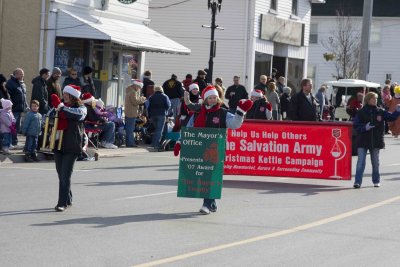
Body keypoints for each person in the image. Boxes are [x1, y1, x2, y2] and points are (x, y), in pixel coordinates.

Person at [176, 85, 253, 214]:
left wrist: (240, 112)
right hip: (199, 150)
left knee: (210, 176)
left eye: (214, 98)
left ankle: (206, 204)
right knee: (202, 177)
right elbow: (189, 129)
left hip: (216, 150)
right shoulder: (197, 113)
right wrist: (180, 141)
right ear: (205, 99)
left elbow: (235, 124)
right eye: (210, 98)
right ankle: (211, 203)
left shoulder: (223, 113)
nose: (212, 100)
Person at [49, 85, 87, 211]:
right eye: (63, 93)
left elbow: (78, 115)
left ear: (73, 96)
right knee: (61, 175)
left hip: (72, 146)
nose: (63, 95)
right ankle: (68, 198)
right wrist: (56, 108)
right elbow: (48, 118)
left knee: (65, 176)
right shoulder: (61, 107)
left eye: (66, 93)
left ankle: (62, 203)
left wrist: (62, 108)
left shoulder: (81, 108)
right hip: (58, 145)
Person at [353, 92, 400, 188]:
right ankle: (357, 182)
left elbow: (391, 117)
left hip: (376, 140)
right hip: (362, 140)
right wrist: (364, 127)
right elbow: (356, 125)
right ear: (368, 100)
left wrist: (397, 111)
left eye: (376, 98)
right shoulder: (361, 111)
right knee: (360, 162)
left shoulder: (380, 111)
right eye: (373, 98)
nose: (375, 100)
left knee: (375, 162)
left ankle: (376, 180)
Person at [6, 68, 28, 146]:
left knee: (17, 127)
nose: (23, 75)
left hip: (19, 109)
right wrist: (10, 106)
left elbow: (24, 96)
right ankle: (11, 142)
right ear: (15, 74)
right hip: (13, 109)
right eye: (21, 73)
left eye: (23, 73)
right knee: (12, 126)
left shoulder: (21, 83)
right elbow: (8, 96)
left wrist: (26, 106)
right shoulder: (10, 83)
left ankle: (14, 141)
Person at [147, 86, 171, 151]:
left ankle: (153, 143)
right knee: (159, 130)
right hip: (161, 114)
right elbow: (168, 105)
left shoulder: (151, 97)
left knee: (156, 129)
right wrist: (165, 111)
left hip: (153, 115)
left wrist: (149, 115)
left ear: (155, 90)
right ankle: (156, 144)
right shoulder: (165, 96)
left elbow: (148, 107)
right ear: (161, 90)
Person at [125, 79, 146, 147]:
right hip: (132, 112)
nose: (139, 89)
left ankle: (128, 142)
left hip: (128, 111)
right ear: (137, 86)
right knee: (130, 129)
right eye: (139, 87)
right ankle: (131, 143)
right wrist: (142, 99)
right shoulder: (133, 92)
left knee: (128, 129)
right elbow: (135, 102)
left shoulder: (129, 90)